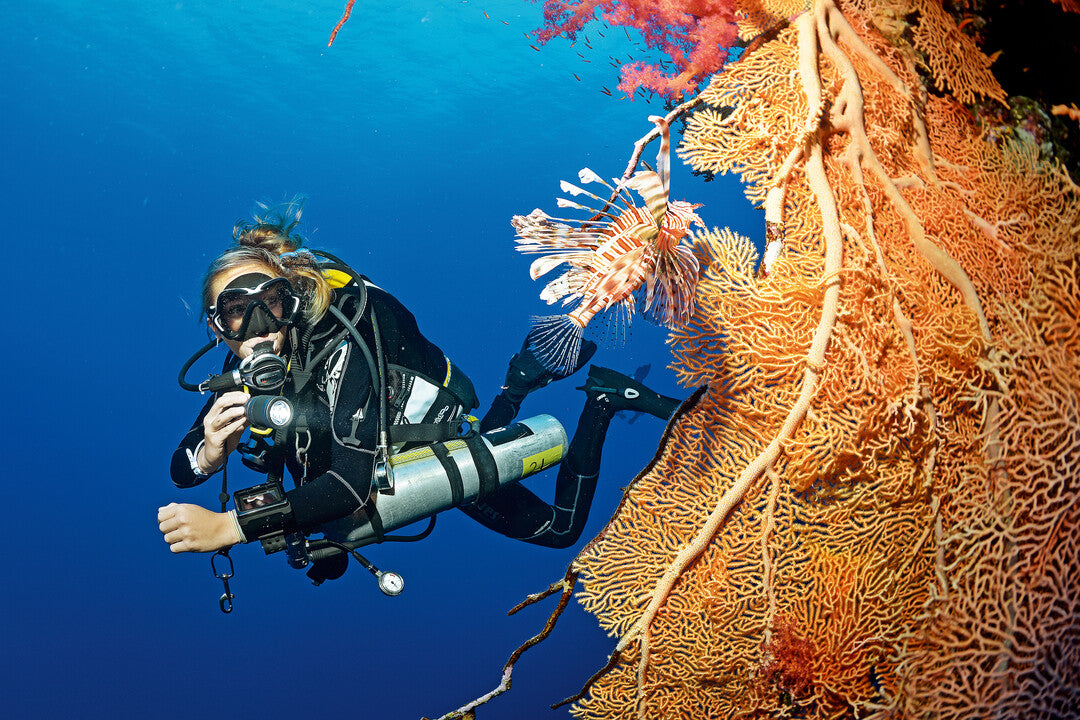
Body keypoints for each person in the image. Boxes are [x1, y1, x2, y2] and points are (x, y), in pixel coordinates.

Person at [160, 202, 679, 578]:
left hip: (422, 440)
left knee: (558, 531)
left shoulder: (353, 330)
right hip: (386, 452)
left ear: (292, 300)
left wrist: (231, 527)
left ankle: (603, 400)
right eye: (235, 312)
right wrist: (208, 452)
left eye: (269, 303)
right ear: (217, 328)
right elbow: (181, 474)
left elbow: (348, 485)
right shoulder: (245, 365)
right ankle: (516, 385)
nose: (256, 328)